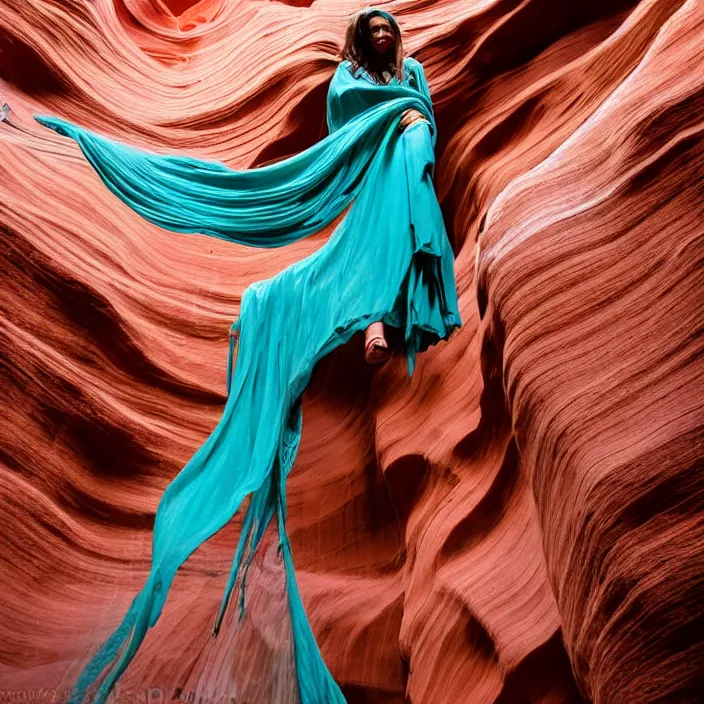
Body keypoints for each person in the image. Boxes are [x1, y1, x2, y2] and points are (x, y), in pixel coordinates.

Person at [34, 7, 460, 703]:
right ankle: (376, 315)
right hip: (385, 169)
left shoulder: (412, 75)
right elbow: (351, 116)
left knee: (413, 165)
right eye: (373, 28)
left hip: (407, 166)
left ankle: (388, 315)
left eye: (390, 27)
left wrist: (412, 118)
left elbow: (424, 119)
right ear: (359, 40)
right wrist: (403, 118)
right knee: (395, 182)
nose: (384, 33)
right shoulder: (354, 79)